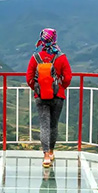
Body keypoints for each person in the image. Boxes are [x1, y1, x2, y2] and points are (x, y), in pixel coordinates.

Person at [26, 27, 72, 167]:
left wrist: (37, 88)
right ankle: (51, 151)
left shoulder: (36, 57)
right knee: (53, 125)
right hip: (57, 96)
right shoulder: (61, 57)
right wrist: (61, 87)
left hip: (41, 97)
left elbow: (28, 77)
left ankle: (45, 155)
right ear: (54, 39)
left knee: (44, 125)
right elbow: (68, 77)